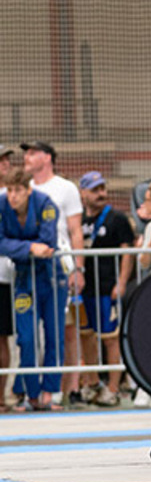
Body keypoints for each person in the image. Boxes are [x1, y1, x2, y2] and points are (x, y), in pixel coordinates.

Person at [22, 141, 84, 402]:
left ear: (47, 157)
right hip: (29, 267)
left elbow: (75, 231)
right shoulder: (23, 189)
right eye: (26, 152)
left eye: (32, 152)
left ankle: (65, 388)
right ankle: (33, 392)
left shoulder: (65, 188)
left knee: (63, 329)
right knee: (29, 333)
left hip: (60, 266)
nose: (27, 156)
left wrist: (78, 268)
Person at [0, 168, 61, 411]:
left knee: (54, 333)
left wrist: (34, 248)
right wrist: (29, 248)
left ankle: (50, 391)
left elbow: (48, 242)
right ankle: (30, 393)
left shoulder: (46, 204)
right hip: (23, 277)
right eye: (9, 190)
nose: (13, 196)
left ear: (28, 190)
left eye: (18, 191)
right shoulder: (2, 205)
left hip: (51, 275)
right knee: (25, 337)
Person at [78, 171, 134, 407]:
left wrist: (121, 282)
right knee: (86, 336)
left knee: (111, 338)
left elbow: (127, 253)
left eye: (103, 188)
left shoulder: (117, 218)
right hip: (84, 289)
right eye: (95, 189)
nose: (101, 193)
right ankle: (92, 385)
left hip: (107, 287)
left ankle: (113, 388)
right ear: (83, 193)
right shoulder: (77, 219)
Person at [0, 146, 15, 409]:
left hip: (4, 277)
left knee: (2, 338)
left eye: (5, 160)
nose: (4, 164)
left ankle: (1, 397)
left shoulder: (13, 196)